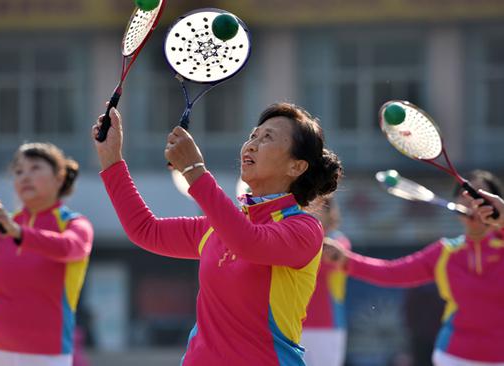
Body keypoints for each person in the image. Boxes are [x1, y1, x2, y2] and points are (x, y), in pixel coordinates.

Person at [92, 102, 342, 365]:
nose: (252, 144)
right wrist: (112, 160)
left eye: (267, 138)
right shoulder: (218, 226)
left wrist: (194, 171)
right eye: (253, 135)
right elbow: (145, 230)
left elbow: (248, 243)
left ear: (297, 167)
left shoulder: (304, 228)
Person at [324, 170, 504, 366]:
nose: (471, 202)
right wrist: (346, 260)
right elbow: (392, 272)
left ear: (495, 203)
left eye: (479, 195)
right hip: (453, 356)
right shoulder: (445, 252)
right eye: (465, 195)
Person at [0, 142, 94, 366]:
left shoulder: (75, 224)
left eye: (35, 168)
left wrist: (17, 231)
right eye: (18, 171)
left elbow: (70, 247)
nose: (25, 176)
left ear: (59, 177)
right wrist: (11, 227)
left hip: (48, 354)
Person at [301, 196, 351, 366]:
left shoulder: (338, 241)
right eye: (308, 205)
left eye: (318, 206)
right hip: (294, 323)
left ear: (329, 212)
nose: (312, 210)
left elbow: (323, 266)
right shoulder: (299, 239)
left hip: (328, 325)